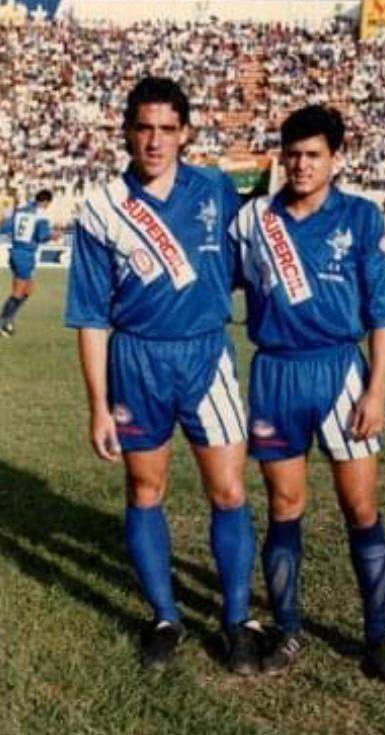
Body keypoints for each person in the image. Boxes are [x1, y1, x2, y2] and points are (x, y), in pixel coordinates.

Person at [66, 77, 261, 674]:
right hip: (137, 362)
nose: (154, 141)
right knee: (145, 490)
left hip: (206, 357)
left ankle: (235, 621)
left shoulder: (215, 189)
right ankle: (165, 617)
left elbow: (243, 264)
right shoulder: (100, 209)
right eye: (144, 128)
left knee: (228, 490)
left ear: (185, 134)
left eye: (167, 129)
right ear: (127, 131)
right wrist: (98, 404)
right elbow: (92, 317)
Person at [229, 105, 385, 685]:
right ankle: (287, 630)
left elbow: (382, 313)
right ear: (282, 157)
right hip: (277, 375)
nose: (302, 165)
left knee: (360, 507)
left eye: (313, 155)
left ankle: (379, 636)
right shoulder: (255, 220)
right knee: (285, 507)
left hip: (341, 375)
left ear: (336, 159)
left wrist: (376, 391)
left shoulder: (360, 217)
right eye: (294, 154)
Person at [0, 189, 53, 337]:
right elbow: (42, 236)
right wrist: (53, 235)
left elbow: (4, 228)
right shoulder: (41, 214)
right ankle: (4, 323)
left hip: (15, 252)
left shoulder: (21, 210)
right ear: (46, 202)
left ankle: (9, 319)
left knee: (29, 290)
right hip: (25, 255)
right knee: (18, 292)